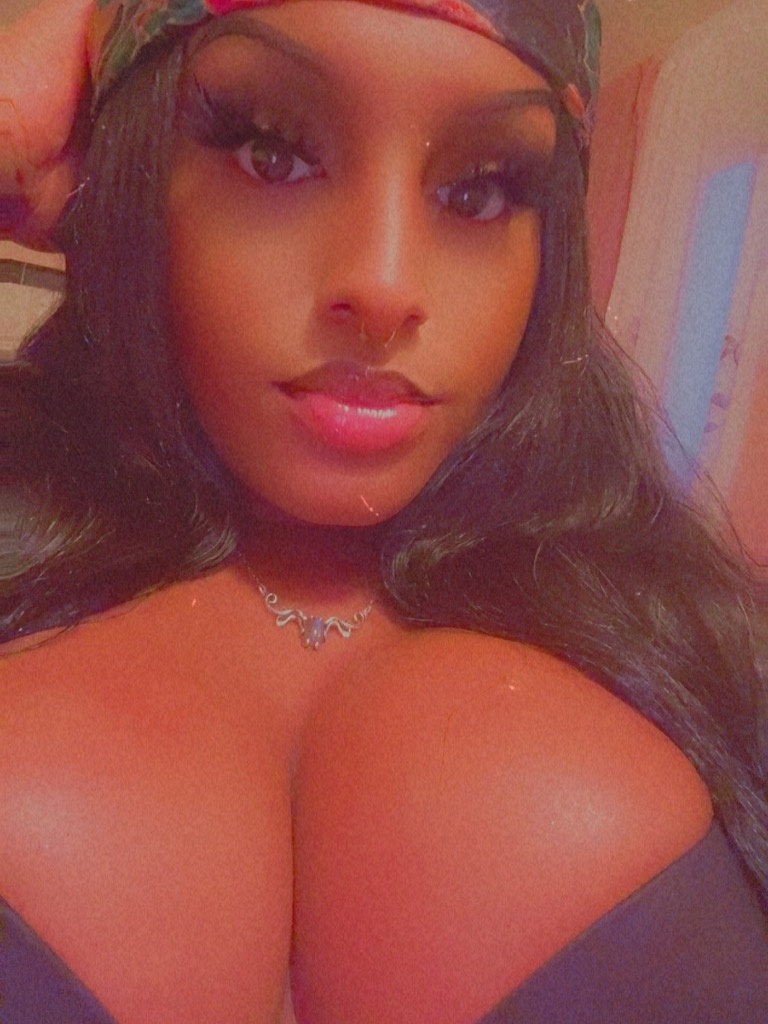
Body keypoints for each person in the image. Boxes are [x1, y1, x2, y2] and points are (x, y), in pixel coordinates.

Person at [1, 1, 767, 1022]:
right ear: (135, 175)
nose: (384, 284)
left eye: (479, 190)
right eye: (272, 154)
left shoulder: (675, 630)